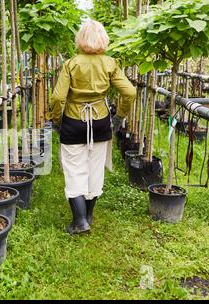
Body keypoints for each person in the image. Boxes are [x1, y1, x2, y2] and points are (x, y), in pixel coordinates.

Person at [51, 20, 136, 235]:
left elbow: (58, 97)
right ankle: (88, 216)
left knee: (74, 170)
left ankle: (79, 221)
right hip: (100, 122)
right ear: (103, 39)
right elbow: (130, 93)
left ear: (80, 39)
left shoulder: (71, 64)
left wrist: (56, 121)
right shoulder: (110, 63)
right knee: (95, 169)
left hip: (73, 121)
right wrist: (119, 117)